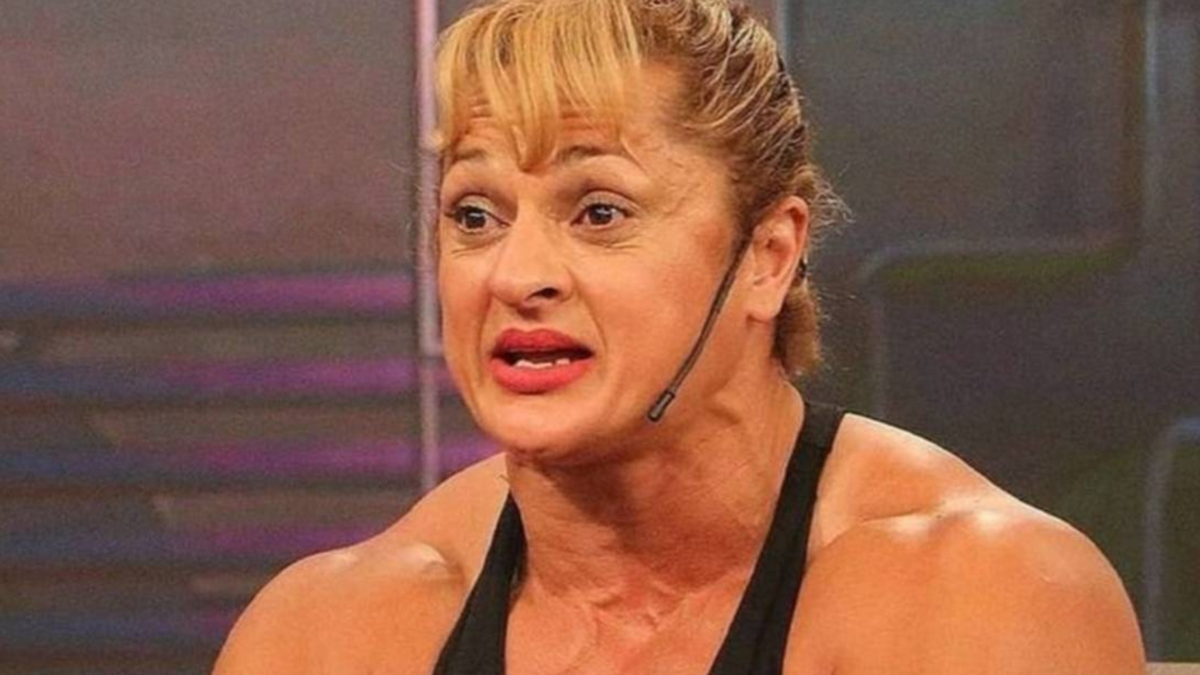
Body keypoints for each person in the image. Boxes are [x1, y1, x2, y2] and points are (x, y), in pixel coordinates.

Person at [213, 1, 1146, 673]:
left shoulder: (974, 598)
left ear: (768, 257)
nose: (515, 274)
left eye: (600, 211)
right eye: (476, 214)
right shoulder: (325, 634)